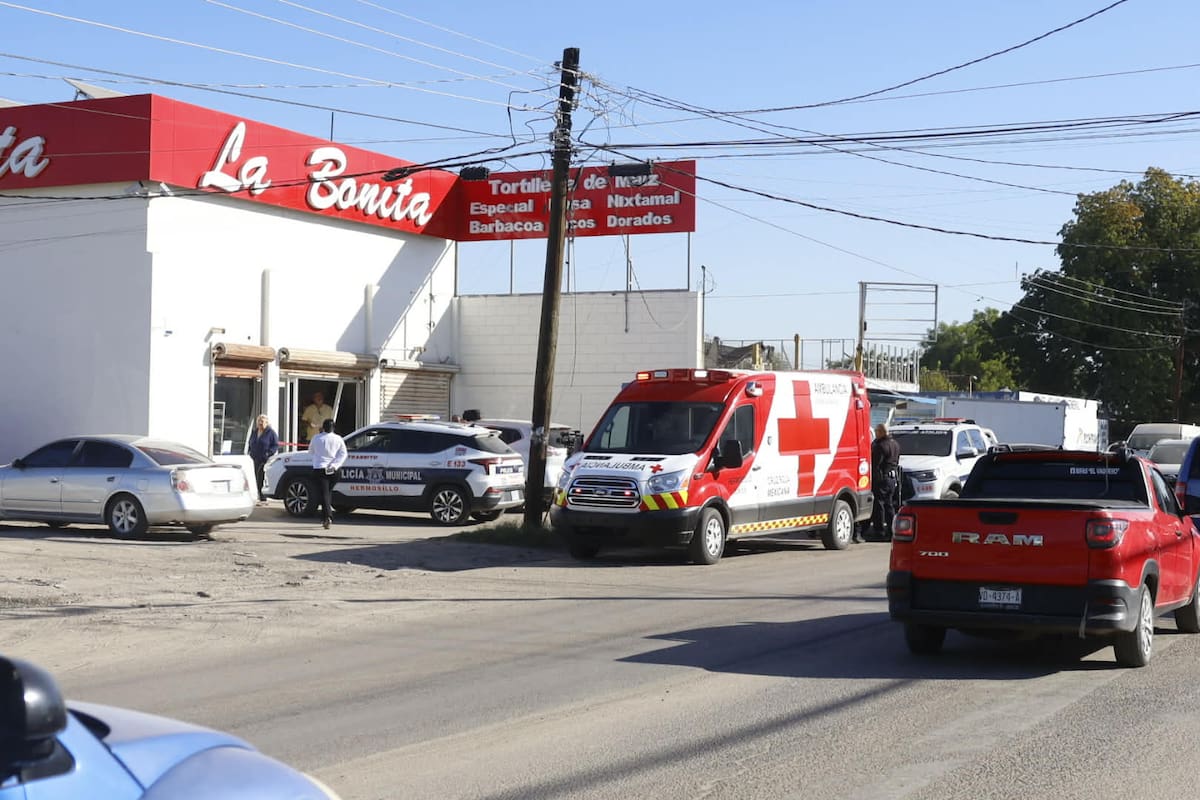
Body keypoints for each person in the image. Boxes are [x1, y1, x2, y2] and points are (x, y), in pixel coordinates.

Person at [863, 422, 901, 542]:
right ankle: (891, 530)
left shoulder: (880, 446)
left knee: (879, 505)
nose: (876, 433)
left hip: (882, 478)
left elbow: (875, 464)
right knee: (889, 505)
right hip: (892, 478)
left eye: (877, 431)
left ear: (881, 432)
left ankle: (879, 531)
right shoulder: (895, 444)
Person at [309, 418, 347, 529]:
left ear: (323, 427)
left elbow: (311, 451)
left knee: (323, 494)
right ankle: (326, 516)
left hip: (320, 469)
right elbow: (343, 454)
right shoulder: (338, 439)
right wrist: (335, 465)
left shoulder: (316, 438)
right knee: (327, 492)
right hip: (334, 470)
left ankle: (327, 517)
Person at [247, 414, 279, 504]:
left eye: (262, 422)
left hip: (265, 459)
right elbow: (251, 442)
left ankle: (263, 497)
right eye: (259, 422)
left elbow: (275, 445)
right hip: (256, 457)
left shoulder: (270, 432)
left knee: (262, 476)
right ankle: (260, 495)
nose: (260, 424)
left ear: (267, 423)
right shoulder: (255, 431)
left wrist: (268, 453)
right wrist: (250, 451)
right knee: (257, 477)